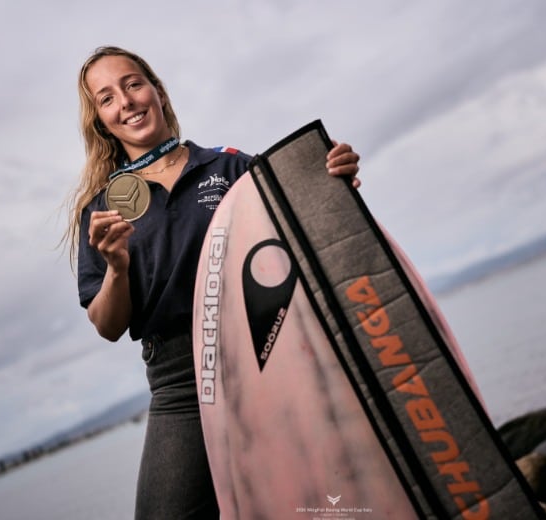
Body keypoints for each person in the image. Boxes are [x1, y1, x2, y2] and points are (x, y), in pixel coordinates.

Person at [65, 46, 361, 519]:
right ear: (102, 122)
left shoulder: (229, 167)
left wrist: (333, 177)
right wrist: (117, 267)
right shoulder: (101, 211)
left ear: (158, 92)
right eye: (106, 98)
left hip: (270, 348)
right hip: (180, 381)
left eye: (133, 84)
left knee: (318, 502)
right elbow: (106, 324)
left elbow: (303, 222)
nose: (126, 101)